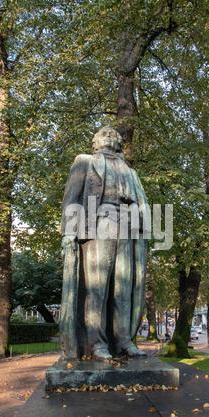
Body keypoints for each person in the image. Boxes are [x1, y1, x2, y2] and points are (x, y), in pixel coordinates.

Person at [60, 126, 148, 361]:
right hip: (98, 224)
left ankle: (124, 341)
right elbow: (71, 197)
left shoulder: (130, 171)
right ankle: (97, 344)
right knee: (98, 289)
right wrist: (68, 232)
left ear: (119, 142)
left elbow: (141, 203)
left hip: (127, 229)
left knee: (123, 289)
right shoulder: (85, 161)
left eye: (113, 134)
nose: (109, 135)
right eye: (103, 133)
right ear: (95, 142)